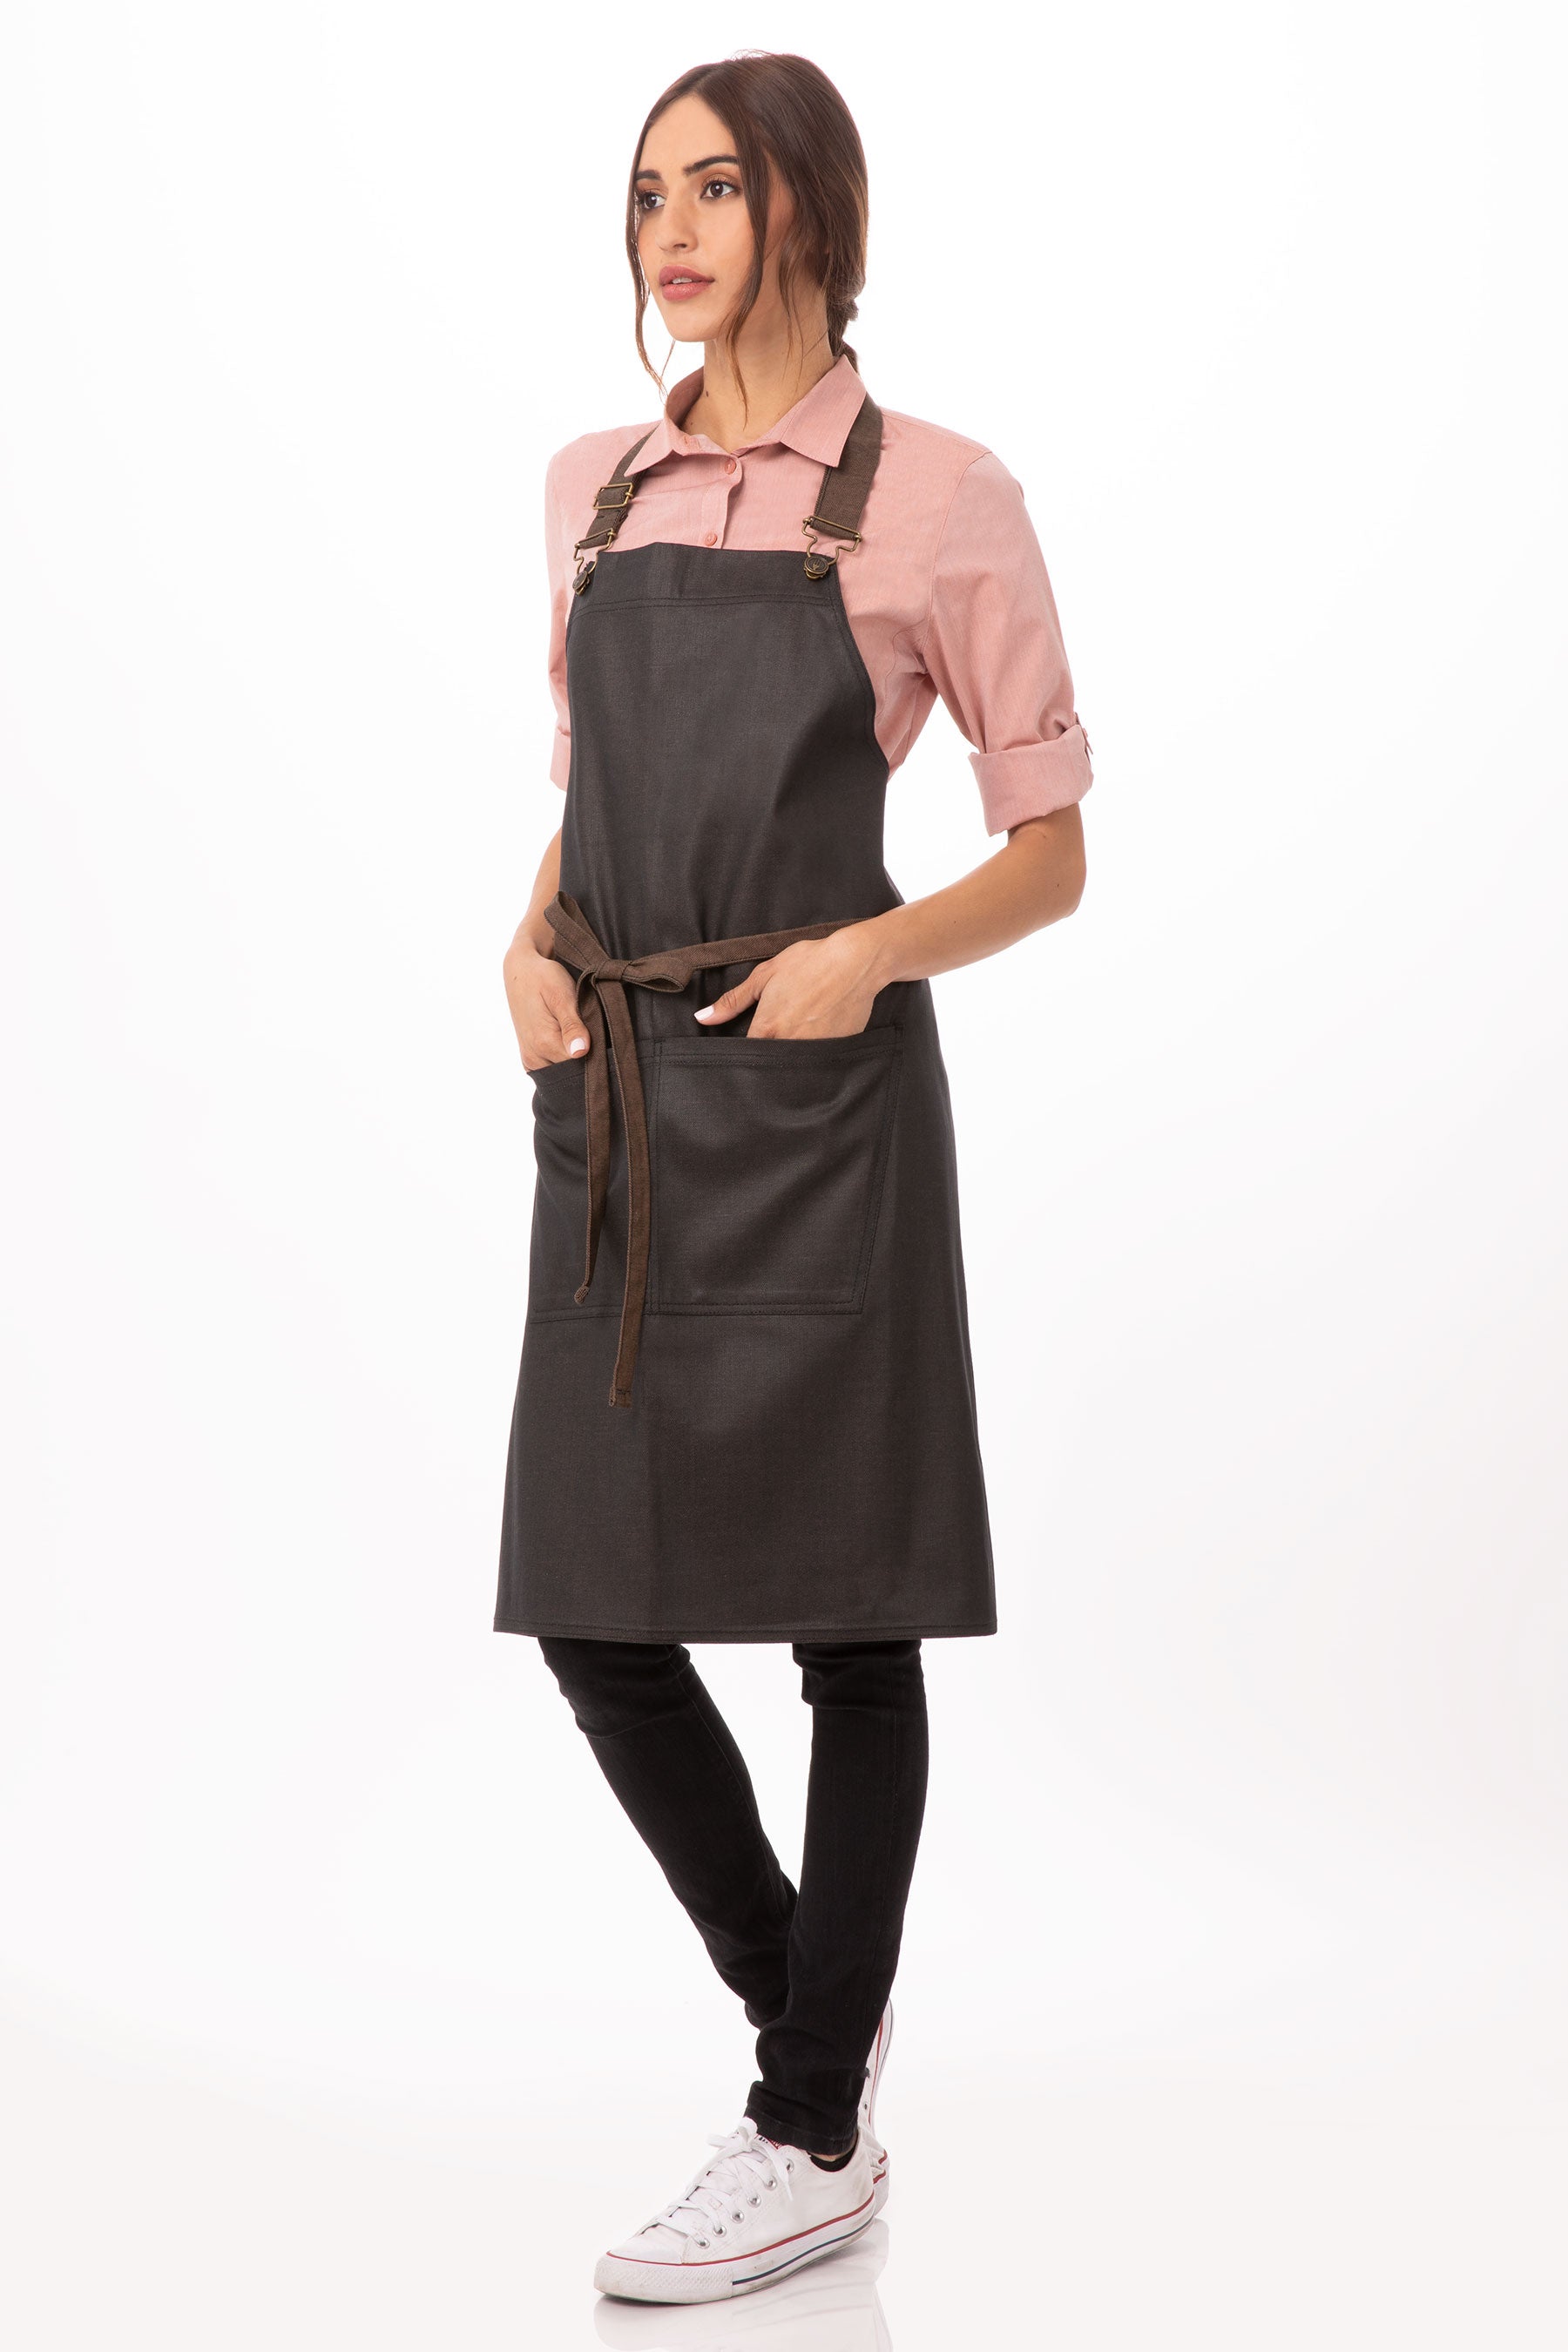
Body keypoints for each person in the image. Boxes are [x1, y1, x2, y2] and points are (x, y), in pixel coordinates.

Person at [496, 51, 1092, 2307]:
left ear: (810, 214)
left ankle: (806, 2122)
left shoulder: (939, 495)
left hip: (822, 1097)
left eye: (715, 189)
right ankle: (817, 2023)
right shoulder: (594, 489)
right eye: (647, 191)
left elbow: (1050, 853)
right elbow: (584, 795)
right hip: (628, 1101)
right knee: (591, 1600)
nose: (671, 230)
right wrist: (524, 942)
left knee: (853, 1609)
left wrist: (871, 952)